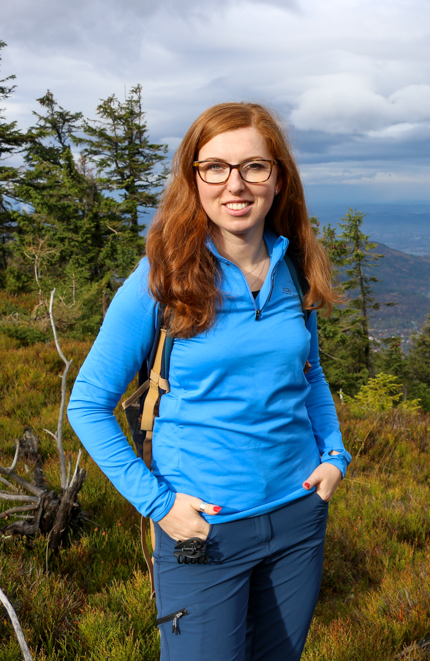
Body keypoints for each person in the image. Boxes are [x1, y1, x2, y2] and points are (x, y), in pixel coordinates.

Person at [68, 102, 350, 660]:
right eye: (215, 167)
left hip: (298, 518)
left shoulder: (294, 270)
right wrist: (159, 505)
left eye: (254, 167)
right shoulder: (158, 282)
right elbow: (87, 404)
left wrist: (334, 457)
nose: (235, 184)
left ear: (278, 179)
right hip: (204, 533)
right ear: (193, 179)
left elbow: (310, 375)